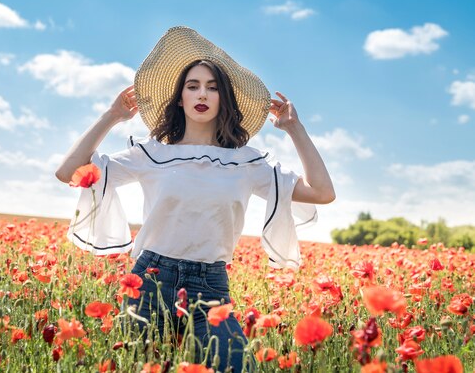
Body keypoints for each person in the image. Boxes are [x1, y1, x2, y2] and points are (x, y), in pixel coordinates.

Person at [55, 26, 335, 372]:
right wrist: (111, 117)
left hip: (210, 284)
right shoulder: (152, 154)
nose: (202, 94)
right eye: (193, 86)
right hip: (150, 279)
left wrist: (295, 128)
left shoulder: (246, 162)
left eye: (213, 88)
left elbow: (322, 192)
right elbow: (68, 171)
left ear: (224, 100)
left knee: (237, 366)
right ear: (180, 98)